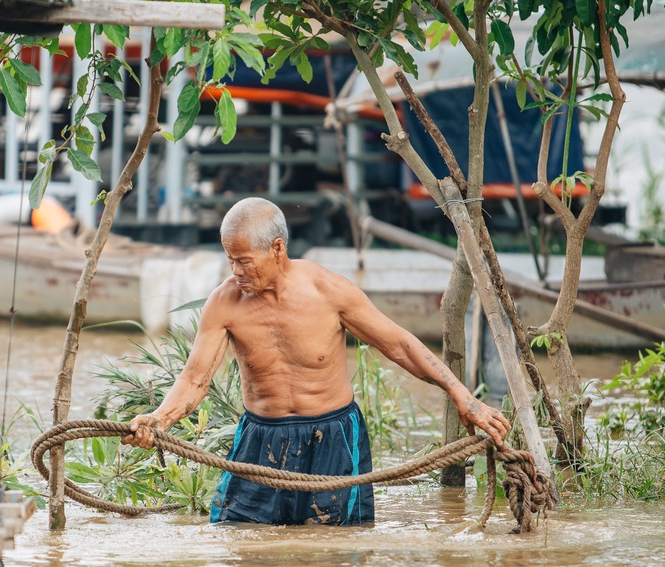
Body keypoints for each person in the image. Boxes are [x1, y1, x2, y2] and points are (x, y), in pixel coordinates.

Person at [122, 197, 511, 526]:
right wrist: (159, 419)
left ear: (277, 249)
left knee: (336, 546)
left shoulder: (329, 290)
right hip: (261, 438)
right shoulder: (224, 303)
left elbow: (400, 346)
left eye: (244, 261)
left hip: (333, 438)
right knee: (236, 537)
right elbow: (195, 379)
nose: (235, 272)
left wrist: (464, 397)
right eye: (230, 261)